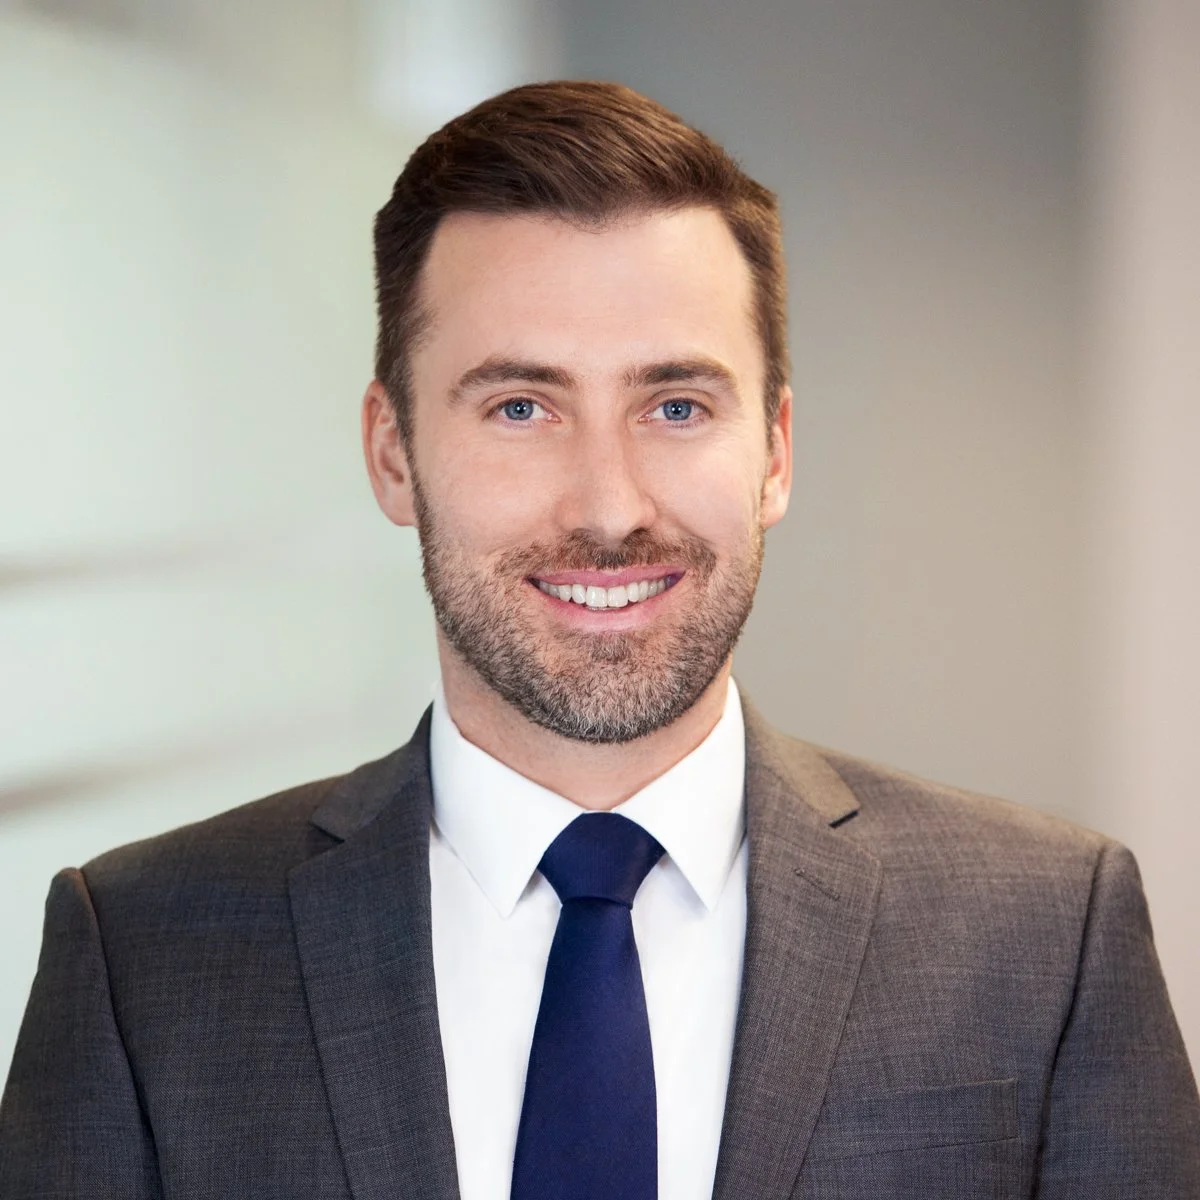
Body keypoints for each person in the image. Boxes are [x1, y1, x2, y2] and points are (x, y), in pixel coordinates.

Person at [1, 80, 1197, 1200]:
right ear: (392, 452)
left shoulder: (1048, 938)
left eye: (675, 406)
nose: (609, 507)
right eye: (521, 407)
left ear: (775, 451)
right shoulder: (143, 957)